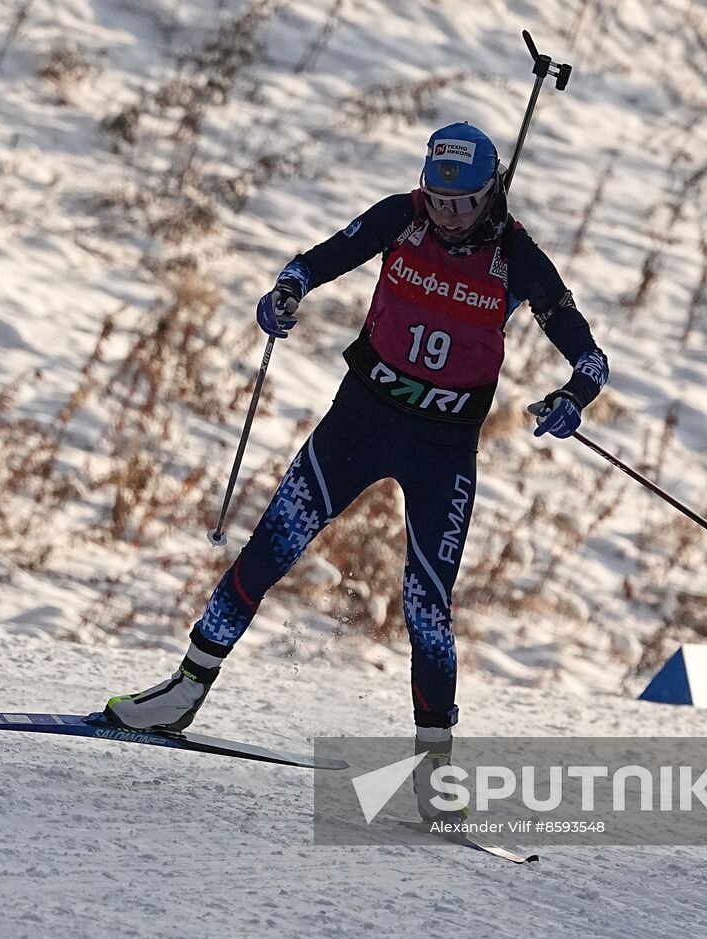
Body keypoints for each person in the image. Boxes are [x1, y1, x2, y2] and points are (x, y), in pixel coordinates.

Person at [104, 121, 609, 820]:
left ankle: (436, 774)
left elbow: (588, 353)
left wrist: (573, 396)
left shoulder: (514, 255)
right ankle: (184, 689)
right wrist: (286, 292)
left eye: (465, 203)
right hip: (360, 422)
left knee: (429, 609)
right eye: (439, 199)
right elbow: (315, 262)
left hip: (443, 449)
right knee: (271, 546)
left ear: (493, 192)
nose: (450, 216)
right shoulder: (401, 216)